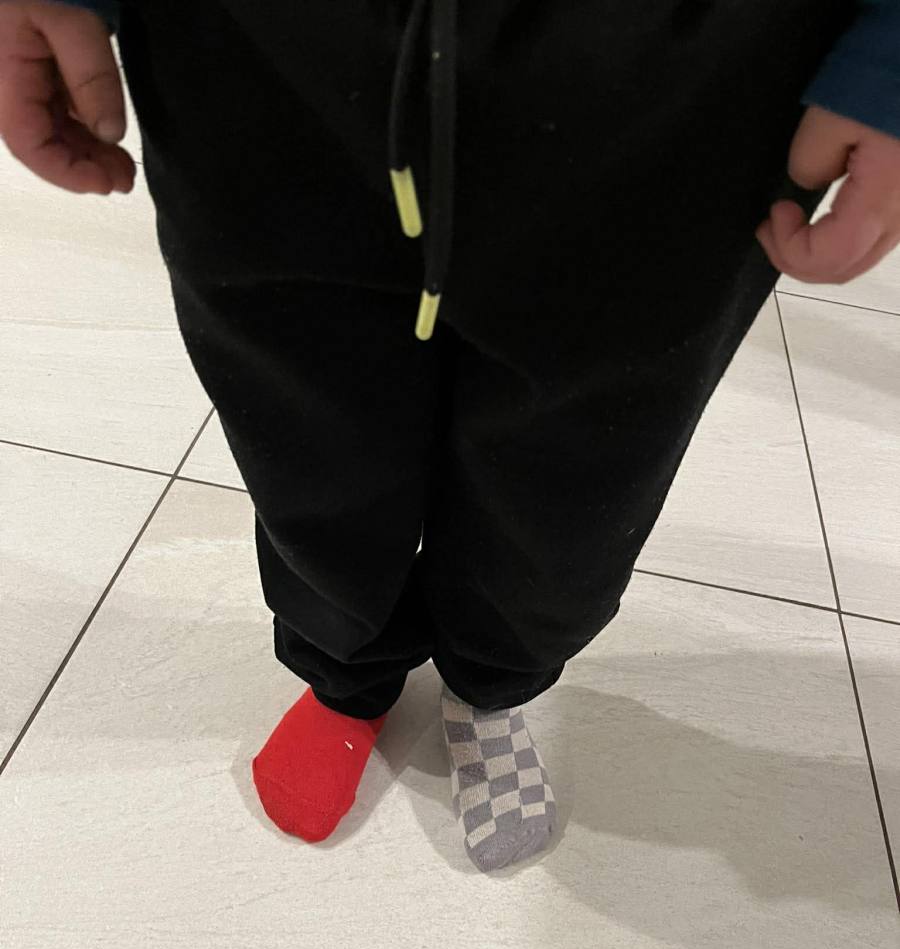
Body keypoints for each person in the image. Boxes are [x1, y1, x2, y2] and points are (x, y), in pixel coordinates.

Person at [2, 0, 898, 871]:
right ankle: (345, 672)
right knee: (307, 442)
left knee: (580, 475)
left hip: (684, 90)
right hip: (261, 68)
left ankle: (491, 683)